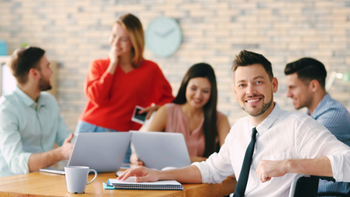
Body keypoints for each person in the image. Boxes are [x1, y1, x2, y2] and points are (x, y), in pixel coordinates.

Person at [118, 50, 350, 197]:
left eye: (258, 82)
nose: (250, 91)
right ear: (235, 91)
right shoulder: (240, 129)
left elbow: (347, 162)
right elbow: (211, 169)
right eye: (242, 85)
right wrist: (158, 174)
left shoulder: (298, 126)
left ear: (274, 85)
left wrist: (288, 165)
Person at [76, 13, 174, 163]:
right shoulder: (98, 65)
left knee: (119, 183)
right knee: (80, 183)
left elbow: (171, 100)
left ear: (135, 42)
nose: (115, 43)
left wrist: (156, 108)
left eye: (123, 39)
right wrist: (113, 64)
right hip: (90, 129)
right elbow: (97, 98)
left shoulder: (150, 70)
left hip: (122, 136)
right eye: (113, 35)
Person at [0, 46, 74, 177]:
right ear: (34, 73)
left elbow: (66, 137)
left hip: (44, 180)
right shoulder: (6, 108)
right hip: (12, 185)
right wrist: (60, 153)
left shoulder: (49, 101)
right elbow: (16, 163)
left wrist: (86, 147)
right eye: (47, 67)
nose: (51, 72)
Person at [285, 57, 350, 195]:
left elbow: (294, 153)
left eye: (292, 87)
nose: (288, 94)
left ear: (314, 86)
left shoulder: (334, 116)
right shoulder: (309, 117)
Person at [145, 63, 230, 162]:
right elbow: (146, 149)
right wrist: (135, 158)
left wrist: (176, 159)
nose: (198, 95)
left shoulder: (220, 119)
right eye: (193, 89)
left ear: (212, 93)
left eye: (205, 91)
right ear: (185, 86)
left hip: (202, 176)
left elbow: (228, 159)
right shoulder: (166, 111)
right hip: (166, 175)